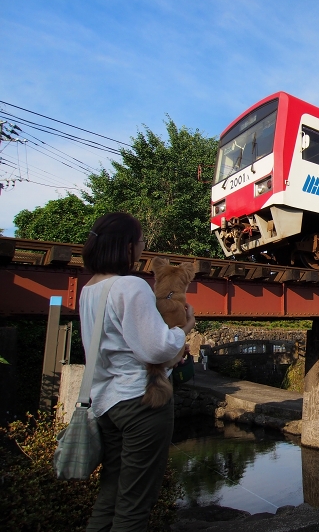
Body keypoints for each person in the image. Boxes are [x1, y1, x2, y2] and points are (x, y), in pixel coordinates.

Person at [80, 212, 195, 532]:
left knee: (110, 495)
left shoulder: (89, 289)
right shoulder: (131, 286)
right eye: (141, 242)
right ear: (128, 246)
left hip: (106, 404)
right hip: (141, 403)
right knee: (134, 506)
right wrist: (184, 329)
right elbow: (156, 349)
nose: (142, 249)